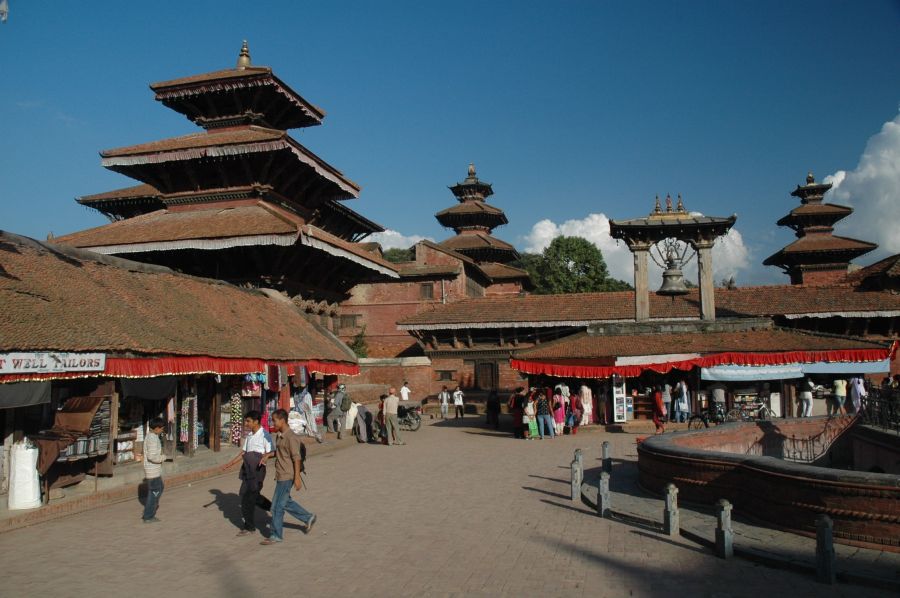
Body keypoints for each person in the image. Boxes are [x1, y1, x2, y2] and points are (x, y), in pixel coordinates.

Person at [260, 409, 316, 545]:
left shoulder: (291, 437)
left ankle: (276, 535)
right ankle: (308, 517)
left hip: (287, 475)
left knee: (276, 507)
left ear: (282, 420)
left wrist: (296, 478)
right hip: (280, 474)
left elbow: (296, 458)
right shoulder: (280, 436)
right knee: (285, 502)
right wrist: (268, 455)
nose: (273, 423)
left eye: (274, 420)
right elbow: (281, 453)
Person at [223, 410, 274, 537]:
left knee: (247, 500)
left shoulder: (265, 435)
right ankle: (273, 508)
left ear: (256, 421)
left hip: (257, 471)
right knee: (251, 496)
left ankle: (249, 527)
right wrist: (231, 463)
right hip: (247, 470)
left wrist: (265, 457)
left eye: (248, 421)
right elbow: (244, 452)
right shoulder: (250, 435)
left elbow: (272, 451)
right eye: (246, 421)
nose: (246, 424)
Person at [142, 417, 166, 523]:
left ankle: (149, 512)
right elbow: (152, 456)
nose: (162, 430)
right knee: (155, 492)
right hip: (152, 471)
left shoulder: (151, 436)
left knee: (159, 488)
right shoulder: (152, 438)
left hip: (154, 471)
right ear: (156, 428)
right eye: (161, 428)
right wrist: (163, 457)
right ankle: (148, 515)